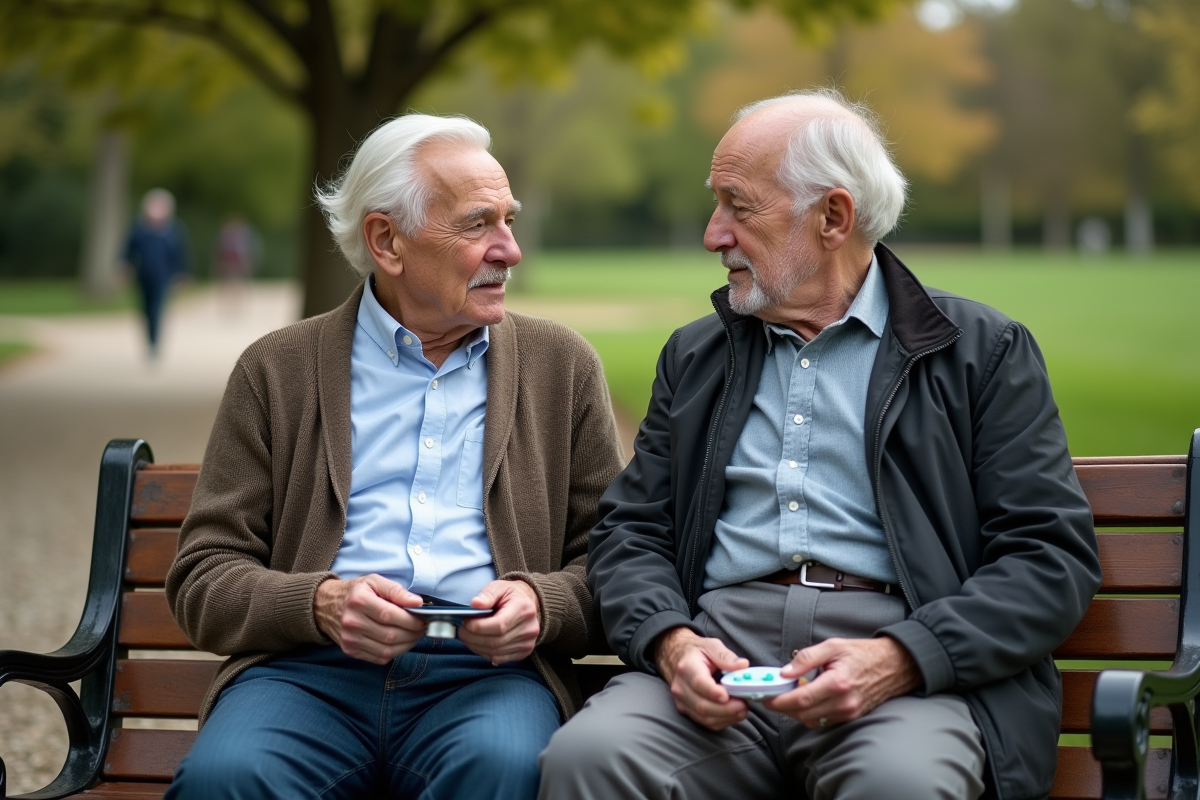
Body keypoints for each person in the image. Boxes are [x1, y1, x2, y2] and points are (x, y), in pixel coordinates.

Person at [538, 89, 1101, 800]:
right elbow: (632, 532)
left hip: (903, 673)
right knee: (589, 758)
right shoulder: (696, 355)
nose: (714, 234)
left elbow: (1048, 558)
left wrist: (903, 657)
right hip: (717, 663)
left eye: (738, 206)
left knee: (899, 784)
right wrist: (670, 642)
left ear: (833, 217)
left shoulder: (982, 353)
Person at [163, 114, 624, 800]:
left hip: (487, 680)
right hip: (306, 674)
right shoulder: (276, 369)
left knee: (502, 769)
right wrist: (317, 602)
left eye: (509, 219)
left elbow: (613, 562)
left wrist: (541, 600)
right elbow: (202, 579)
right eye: (478, 224)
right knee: (226, 779)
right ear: (387, 240)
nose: (511, 249)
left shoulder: (562, 367)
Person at [124, 188, 188, 358]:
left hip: (164, 276)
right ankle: (149, 339)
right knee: (145, 310)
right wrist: (124, 265)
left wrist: (182, 273)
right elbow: (127, 249)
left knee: (157, 308)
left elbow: (181, 254)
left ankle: (154, 343)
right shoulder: (139, 228)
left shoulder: (173, 230)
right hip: (143, 275)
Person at [213, 215, 261, 314]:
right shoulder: (225, 236)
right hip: (228, 262)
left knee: (240, 282)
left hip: (239, 262)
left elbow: (251, 250)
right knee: (227, 282)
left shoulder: (245, 236)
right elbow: (219, 250)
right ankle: (229, 302)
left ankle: (237, 302)